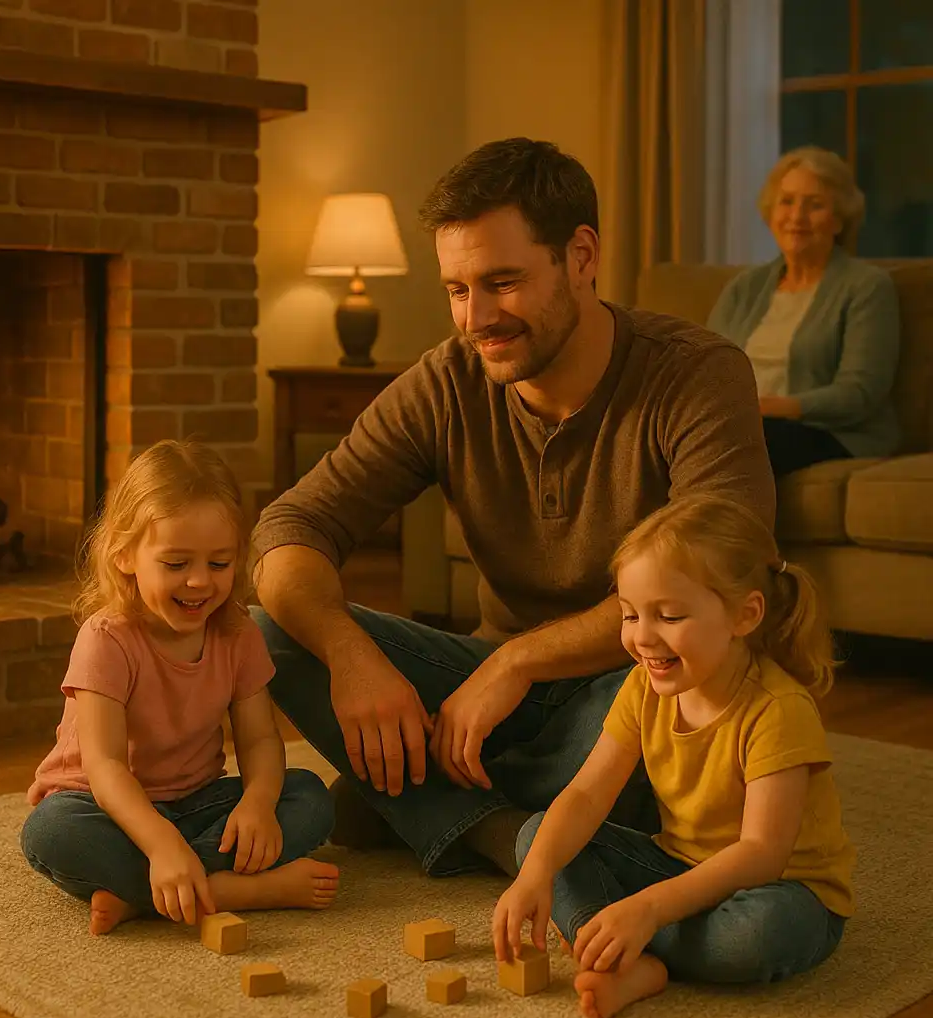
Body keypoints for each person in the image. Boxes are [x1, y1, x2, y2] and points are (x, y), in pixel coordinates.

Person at [250, 137, 776, 880]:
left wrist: (520, 660)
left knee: (661, 722)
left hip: (635, 676)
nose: (477, 318)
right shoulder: (446, 381)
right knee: (271, 631)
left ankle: (423, 799)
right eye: (458, 290)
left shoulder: (697, 375)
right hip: (483, 687)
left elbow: (731, 571)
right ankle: (502, 829)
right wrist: (349, 654)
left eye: (503, 282)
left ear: (581, 256)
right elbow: (291, 528)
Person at [493, 495, 854, 1018]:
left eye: (670, 615)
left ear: (744, 615)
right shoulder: (644, 686)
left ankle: (624, 943)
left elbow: (760, 854)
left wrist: (647, 909)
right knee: (536, 839)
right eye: (630, 614)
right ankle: (619, 951)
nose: (642, 637)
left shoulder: (779, 710)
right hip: (676, 866)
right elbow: (588, 792)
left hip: (783, 892)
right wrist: (535, 875)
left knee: (754, 937)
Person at [20, 440, 338, 936]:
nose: (198, 583)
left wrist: (256, 803)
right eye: (175, 564)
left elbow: (258, 739)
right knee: (50, 832)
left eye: (218, 563)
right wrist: (161, 845)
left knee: (308, 796)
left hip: (197, 802)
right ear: (125, 554)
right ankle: (235, 890)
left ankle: (147, 894)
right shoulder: (107, 639)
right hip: (102, 805)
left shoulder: (238, 632)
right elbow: (104, 767)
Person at [708, 145, 901, 477]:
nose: (797, 217)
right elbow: (705, 368)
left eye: (815, 205)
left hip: (827, 432)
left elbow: (859, 394)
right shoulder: (744, 287)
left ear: (838, 220)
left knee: (741, 438)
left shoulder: (867, 287)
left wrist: (772, 407)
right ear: (771, 212)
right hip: (744, 420)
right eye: (787, 202)